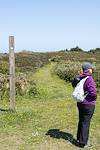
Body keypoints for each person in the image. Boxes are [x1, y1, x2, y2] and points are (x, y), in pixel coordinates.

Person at [76, 63, 97, 148]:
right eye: (91, 68)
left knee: (81, 121)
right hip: (88, 104)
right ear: (88, 69)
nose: (92, 70)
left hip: (80, 103)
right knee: (86, 123)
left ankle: (79, 138)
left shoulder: (80, 77)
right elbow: (93, 93)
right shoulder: (89, 79)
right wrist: (94, 97)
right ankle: (83, 143)